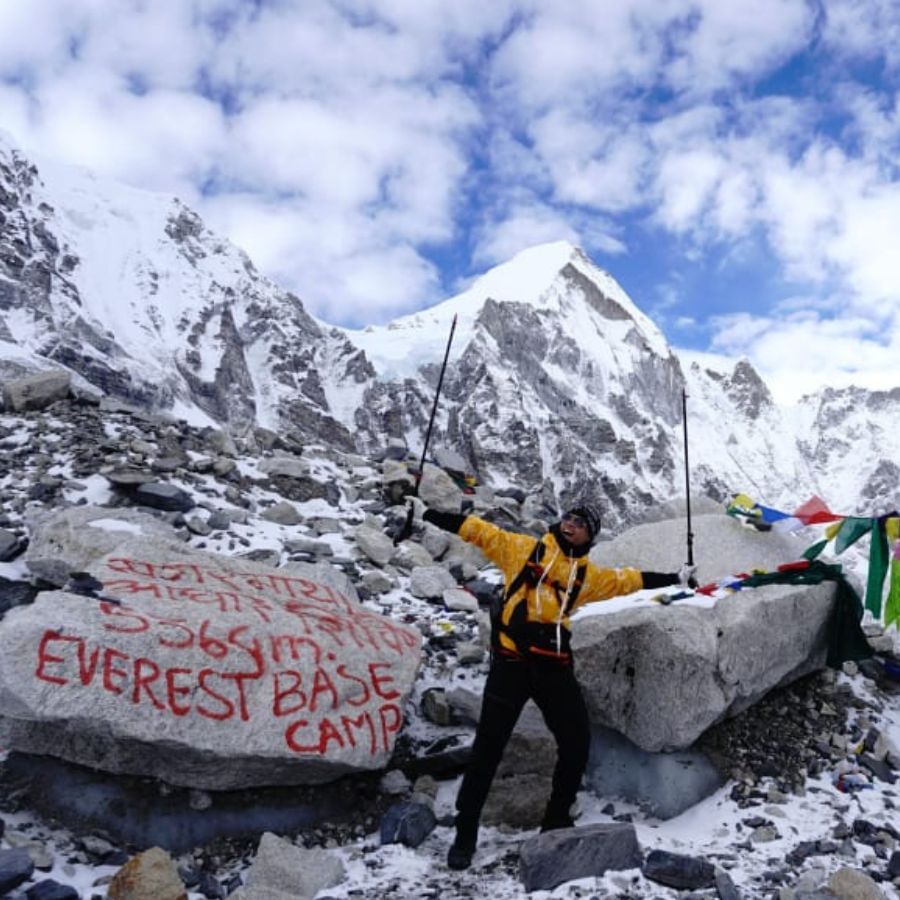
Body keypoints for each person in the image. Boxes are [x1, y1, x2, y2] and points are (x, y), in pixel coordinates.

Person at [415, 499, 696, 870]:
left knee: (576, 742)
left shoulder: (588, 577)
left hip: (554, 670)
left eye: (581, 522)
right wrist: (429, 513)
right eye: (569, 517)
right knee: (488, 749)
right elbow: (480, 531)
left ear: (590, 534)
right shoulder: (522, 549)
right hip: (511, 665)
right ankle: (465, 833)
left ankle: (556, 819)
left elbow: (628, 581)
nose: (571, 524)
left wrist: (676, 578)